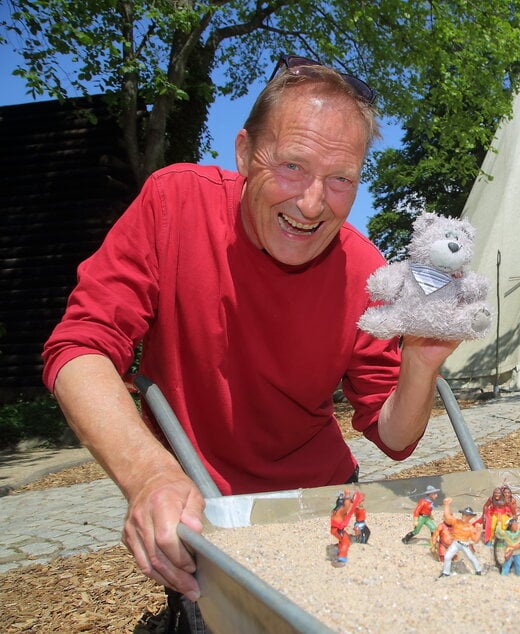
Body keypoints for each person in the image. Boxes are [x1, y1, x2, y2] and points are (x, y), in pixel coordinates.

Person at [41, 55, 459, 614]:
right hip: (205, 509)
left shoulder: (365, 269)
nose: (312, 204)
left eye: (341, 180)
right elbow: (79, 348)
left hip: (324, 500)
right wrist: (149, 475)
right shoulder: (174, 202)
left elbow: (395, 436)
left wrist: (421, 363)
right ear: (243, 153)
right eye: (291, 166)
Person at [438, 497, 483, 578]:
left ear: (470, 517)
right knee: (447, 556)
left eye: (467, 515)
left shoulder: (470, 527)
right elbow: (447, 516)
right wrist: (447, 505)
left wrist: (479, 531)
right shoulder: (456, 522)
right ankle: (446, 572)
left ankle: (478, 570)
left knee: (471, 557)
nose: (465, 516)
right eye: (464, 514)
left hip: (464, 544)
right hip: (455, 543)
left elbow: (475, 540)